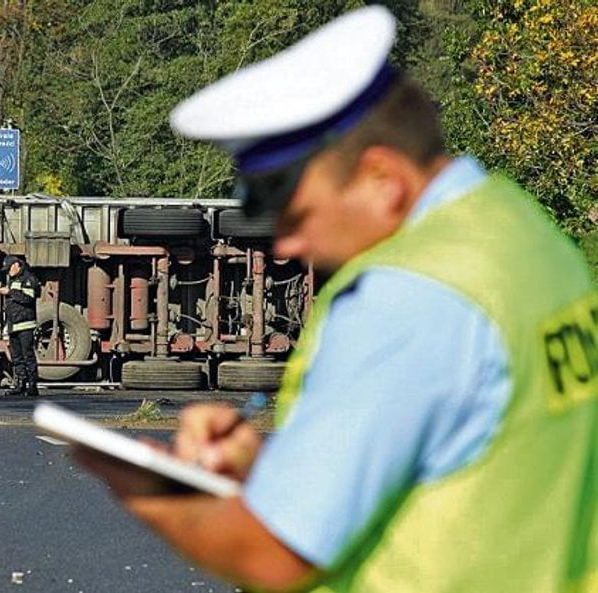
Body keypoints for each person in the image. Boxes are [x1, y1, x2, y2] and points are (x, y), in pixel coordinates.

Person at [72, 6, 597, 593]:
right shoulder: (522, 233)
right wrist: (273, 469)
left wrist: (151, 489)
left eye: (291, 212)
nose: (286, 244)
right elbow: (465, 452)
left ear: (381, 180)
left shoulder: (404, 298)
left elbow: (277, 557)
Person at [0, 255, 41, 397]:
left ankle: (32, 386)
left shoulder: (29, 279)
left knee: (28, 355)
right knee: (16, 358)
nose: (8, 272)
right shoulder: (13, 280)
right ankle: (20, 384)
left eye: (9, 268)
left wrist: (10, 292)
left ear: (17, 265)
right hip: (13, 325)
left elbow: (28, 298)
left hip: (25, 324)